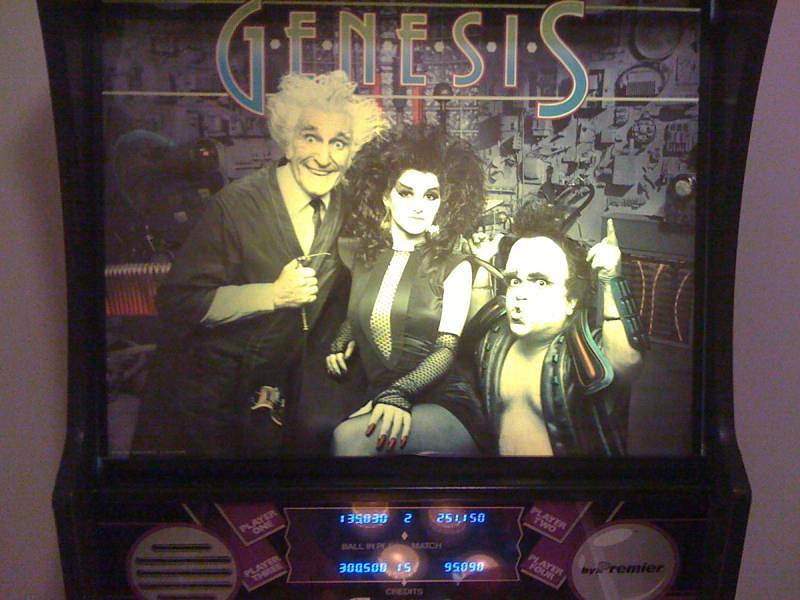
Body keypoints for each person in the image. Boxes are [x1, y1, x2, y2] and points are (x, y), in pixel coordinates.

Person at [132, 71, 386, 457]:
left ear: (352, 153)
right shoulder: (235, 206)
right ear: (287, 139)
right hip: (215, 394)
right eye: (311, 137)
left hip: (283, 390)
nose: (324, 157)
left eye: (339, 143)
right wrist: (272, 295)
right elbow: (177, 302)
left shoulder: (344, 202)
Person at [326, 126, 492, 456]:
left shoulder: (455, 265)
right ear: (385, 197)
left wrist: (399, 393)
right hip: (383, 394)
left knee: (347, 440)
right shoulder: (362, 256)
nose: (419, 206)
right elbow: (369, 309)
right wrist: (343, 339)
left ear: (443, 202)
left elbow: (446, 349)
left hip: (443, 402)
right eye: (406, 193)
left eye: (431, 196)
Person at [470, 205, 646, 456]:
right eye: (514, 281)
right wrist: (483, 261)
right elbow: (479, 318)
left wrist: (611, 280)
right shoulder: (496, 340)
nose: (520, 294)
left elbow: (626, 364)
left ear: (571, 300)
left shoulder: (583, 352)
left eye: (541, 282)